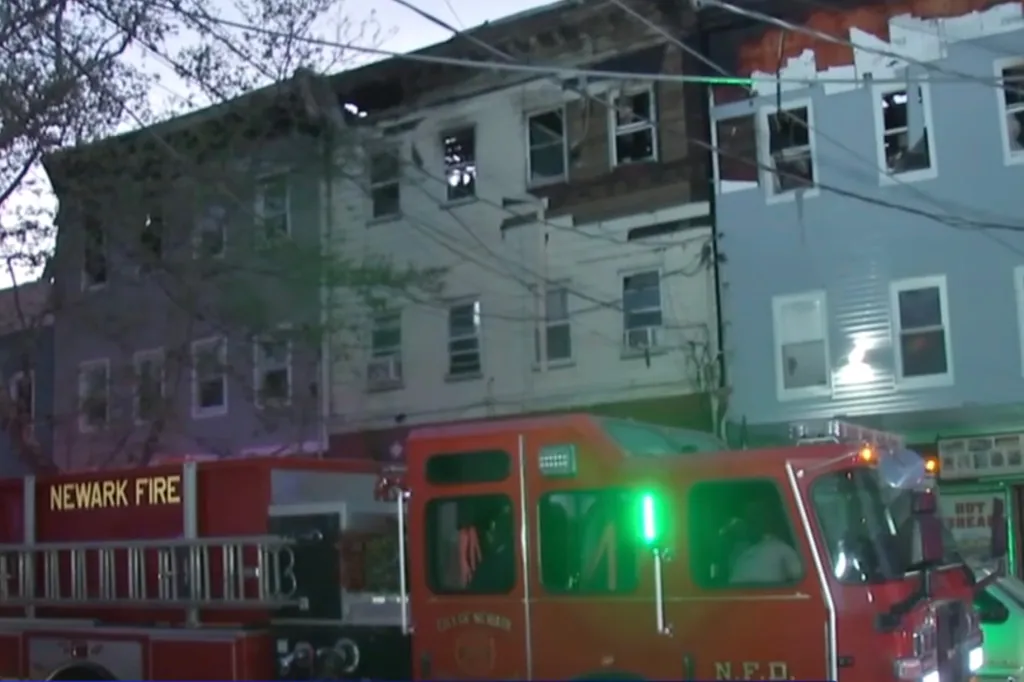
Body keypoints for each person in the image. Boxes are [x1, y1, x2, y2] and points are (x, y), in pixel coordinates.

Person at [728, 495, 802, 585]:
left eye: (755, 516)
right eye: (747, 517)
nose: (750, 521)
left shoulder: (781, 549)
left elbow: (799, 580)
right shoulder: (737, 549)